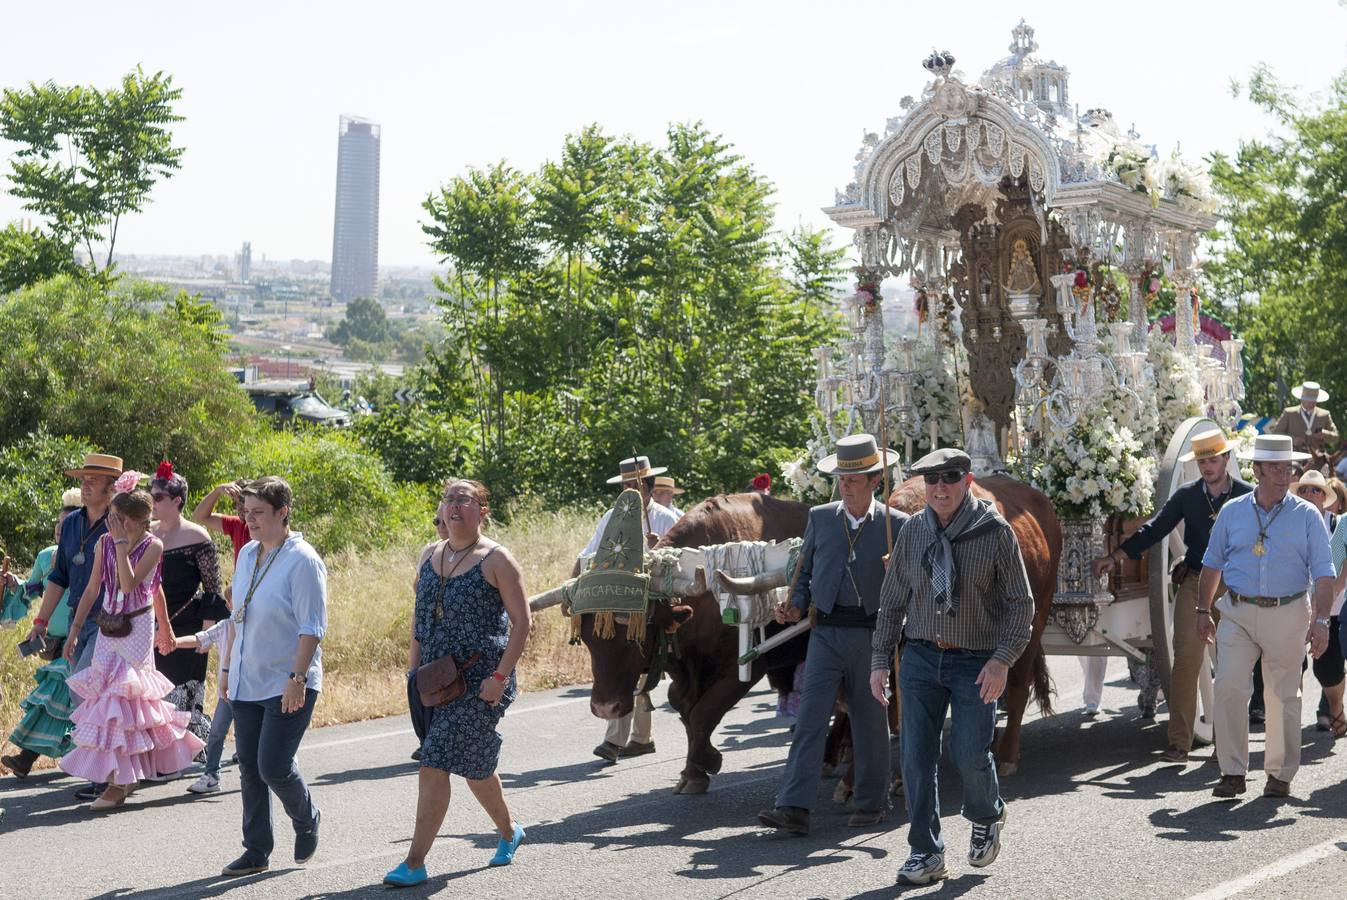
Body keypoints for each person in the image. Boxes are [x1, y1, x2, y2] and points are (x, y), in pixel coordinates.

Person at [870, 448, 1034, 886]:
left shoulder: (995, 531)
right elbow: (891, 603)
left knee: (968, 752)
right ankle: (925, 851)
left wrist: (1002, 661)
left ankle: (986, 813)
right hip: (921, 657)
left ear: (967, 479)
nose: (940, 486)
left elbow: (1021, 605)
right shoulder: (912, 533)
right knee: (916, 758)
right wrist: (880, 659)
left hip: (976, 661)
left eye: (949, 477)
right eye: (932, 479)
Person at [757, 433, 907, 836]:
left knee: (870, 719)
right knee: (809, 718)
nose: (845, 484)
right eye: (841, 477)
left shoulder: (898, 526)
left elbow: (917, 587)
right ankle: (793, 807)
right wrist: (795, 602)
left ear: (876, 480)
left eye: (854, 479)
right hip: (824, 632)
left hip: (872, 635)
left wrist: (899, 575)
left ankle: (873, 801)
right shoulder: (821, 517)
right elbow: (804, 572)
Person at [384, 479, 531, 887]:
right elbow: (419, 619)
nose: (453, 506)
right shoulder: (429, 554)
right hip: (436, 680)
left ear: (482, 511)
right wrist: (413, 673)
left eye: (463, 500)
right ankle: (509, 831)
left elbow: (523, 623)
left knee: (434, 764)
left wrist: (500, 678)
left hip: (481, 682)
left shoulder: (497, 559)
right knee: (476, 768)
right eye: (448, 499)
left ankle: (414, 863)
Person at [1089, 428, 1251, 761]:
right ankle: (1179, 742)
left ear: (1226, 459)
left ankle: (1229, 743)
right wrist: (1114, 557)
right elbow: (1155, 528)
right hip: (1195, 580)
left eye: (1213, 460)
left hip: (1237, 583)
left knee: (1235, 667)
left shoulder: (1247, 496)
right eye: (1202, 461)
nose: (1207, 467)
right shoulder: (1187, 496)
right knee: (1186, 661)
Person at [1198, 434, 1335, 799]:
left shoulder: (1307, 516)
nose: (1281, 473)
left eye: (1286, 467)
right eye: (1272, 467)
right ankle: (1232, 771)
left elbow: (1324, 573)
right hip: (1238, 612)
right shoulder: (1232, 512)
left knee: (1283, 695)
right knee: (1227, 686)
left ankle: (1279, 774)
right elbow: (1211, 564)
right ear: (1255, 469)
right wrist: (1202, 610)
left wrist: (1320, 621)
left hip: (1288, 612)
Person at [60, 488, 204, 810]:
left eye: (120, 519)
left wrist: (163, 627)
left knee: (126, 698)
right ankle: (121, 777)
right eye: (112, 517)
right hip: (109, 624)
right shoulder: (104, 543)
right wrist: (74, 631)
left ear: (140, 522)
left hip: (136, 627)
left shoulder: (153, 546)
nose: (113, 523)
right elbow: (93, 588)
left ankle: (118, 782)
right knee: (106, 698)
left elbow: (135, 586)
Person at [219, 476, 327, 877]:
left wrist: (297, 677)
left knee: (273, 766)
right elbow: (239, 618)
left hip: (288, 679)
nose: (250, 521)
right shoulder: (248, 554)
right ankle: (256, 849)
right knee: (248, 766)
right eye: (246, 513)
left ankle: (307, 818)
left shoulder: (303, 560)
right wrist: (228, 670)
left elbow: (312, 627)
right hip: (248, 678)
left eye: (259, 513)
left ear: (283, 513)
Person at [24, 452, 120, 801]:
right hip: (82, 622)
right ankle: (110, 773)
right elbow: (59, 575)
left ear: (112, 488)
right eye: (83, 478)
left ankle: (110, 774)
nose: (84, 484)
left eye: (92, 480)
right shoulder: (71, 523)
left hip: (112, 623)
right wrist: (40, 621)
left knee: (86, 689)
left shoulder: (121, 522)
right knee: (87, 692)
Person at [575, 456, 679, 763]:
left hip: (652, 607)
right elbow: (589, 554)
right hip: (616, 605)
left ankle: (615, 740)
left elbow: (682, 560)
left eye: (633, 486)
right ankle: (640, 738)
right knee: (627, 666)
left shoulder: (665, 517)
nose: (628, 491)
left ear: (647, 487)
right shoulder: (611, 517)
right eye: (624, 487)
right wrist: (573, 590)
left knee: (629, 666)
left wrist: (659, 547)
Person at [151, 461, 229, 768]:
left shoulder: (197, 537)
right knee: (155, 691)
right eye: (151, 496)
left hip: (187, 625)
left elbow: (213, 588)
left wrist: (206, 637)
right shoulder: (148, 533)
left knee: (184, 691)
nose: (152, 502)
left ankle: (194, 749)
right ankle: (161, 755)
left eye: (158, 497)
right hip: (153, 625)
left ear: (177, 501)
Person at [2, 489, 84, 778]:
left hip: (82, 642)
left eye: (68, 525)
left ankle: (28, 757)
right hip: (55, 644)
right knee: (56, 702)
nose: (62, 531)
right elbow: (32, 590)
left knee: (51, 697)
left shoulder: (87, 556)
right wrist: (14, 583)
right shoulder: (46, 556)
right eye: (59, 526)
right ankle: (70, 755)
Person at [170, 616, 236, 794]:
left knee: (252, 739)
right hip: (228, 693)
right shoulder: (225, 626)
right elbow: (199, 638)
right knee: (216, 732)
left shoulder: (256, 624)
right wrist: (173, 642)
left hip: (252, 693)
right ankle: (211, 775)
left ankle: (268, 769)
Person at [1267, 381, 1339, 455]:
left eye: (1313, 400)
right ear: (1301, 399)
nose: (1311, 403)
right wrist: (1293, 439)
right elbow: (1276, 433)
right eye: (1308, 400)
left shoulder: (1324, 415)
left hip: (1317, 458)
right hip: (1294, 455)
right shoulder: (1289, 413)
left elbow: (1336, 437)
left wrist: (1324, 434)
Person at [191, 479, 253, 561]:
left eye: (243, 501)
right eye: (236, 502)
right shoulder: (237, 524)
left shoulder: (266, 529)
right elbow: (199, 517)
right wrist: (217, 491)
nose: (239, 507)